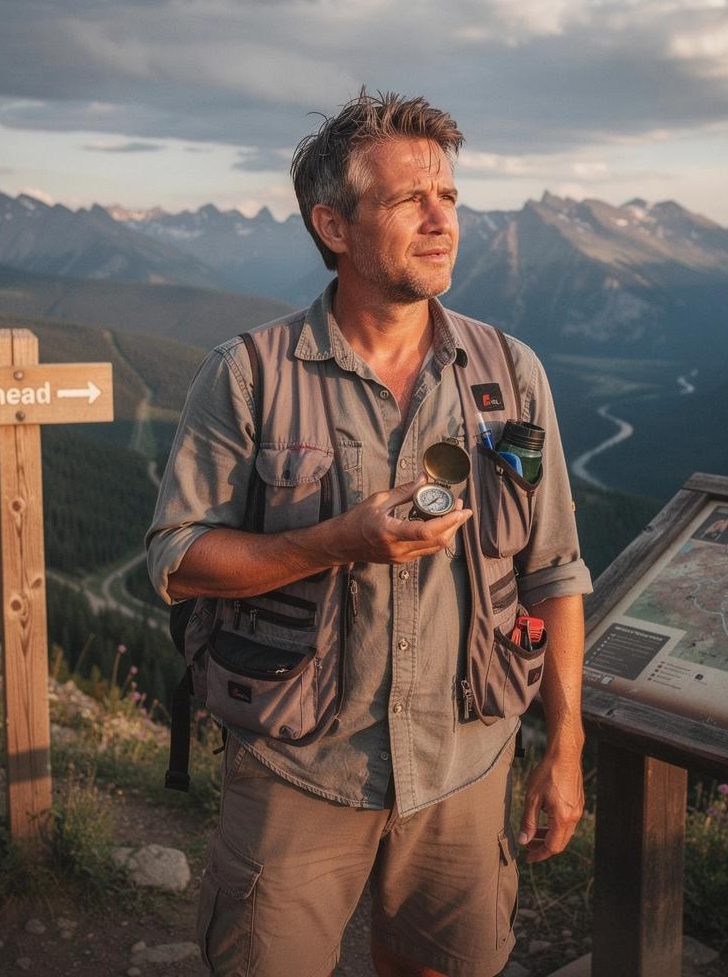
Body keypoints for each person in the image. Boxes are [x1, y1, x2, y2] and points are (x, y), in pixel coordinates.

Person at [146, 90, 592, 977]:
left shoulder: (511, 375)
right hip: (299, 772)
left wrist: (566, 745)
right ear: (334, 226)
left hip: (467, 772)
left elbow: (554, 569)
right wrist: (334, 542)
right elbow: (178, 558)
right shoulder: (249, 377)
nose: (442, 220)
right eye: (408, 201)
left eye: (450, 199)